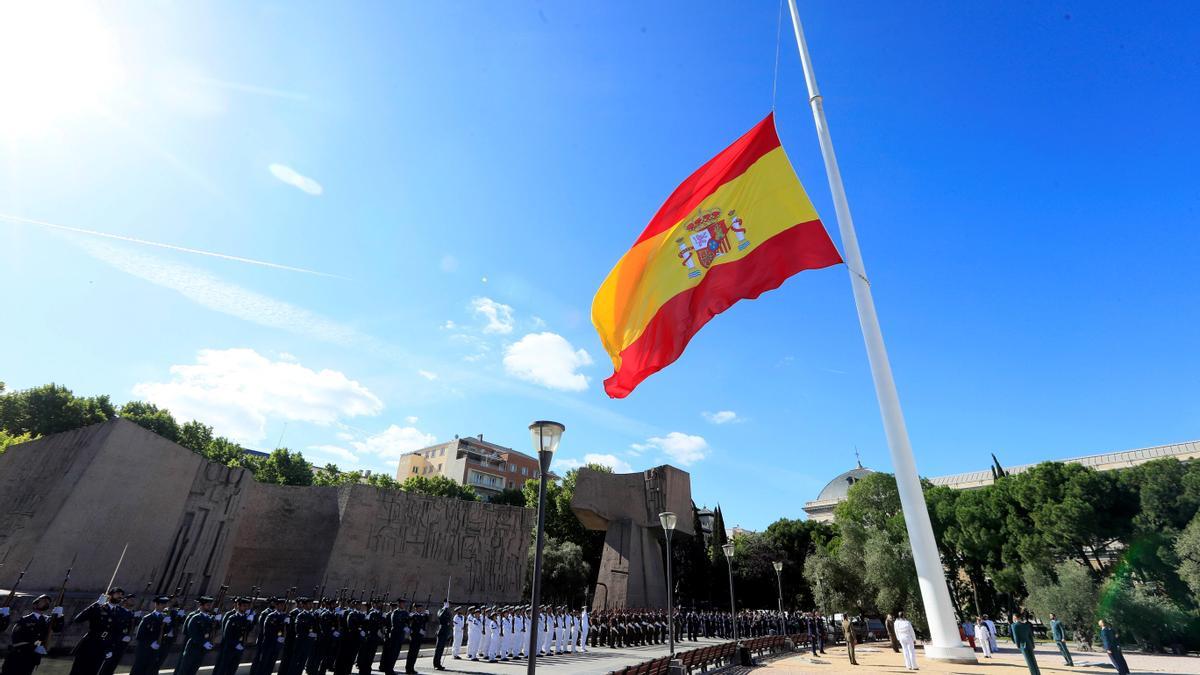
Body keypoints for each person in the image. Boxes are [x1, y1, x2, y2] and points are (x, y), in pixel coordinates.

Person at [1, 594, 64, 675]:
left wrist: (59, 613)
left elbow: (58, 628)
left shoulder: (48, 621)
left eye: (48, 602)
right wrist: (34, 646)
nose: (46, 603)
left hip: (32, 657)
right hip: (17, 655)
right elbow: (16, 637)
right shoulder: (24, 620)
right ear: (35, 605)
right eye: (43, 601)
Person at [69, 587, 126, 675]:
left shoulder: (121, 612)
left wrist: (111, 648)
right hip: (90, 644)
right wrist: (96, 604)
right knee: (78, 670)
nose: (120, 596)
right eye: (118, 593)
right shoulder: (99, 607)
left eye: (122, 595)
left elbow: (117, 632)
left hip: (103, 647)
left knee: (93, 671)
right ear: (110, 595)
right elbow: (78, 619)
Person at [173, 596, 216, 675]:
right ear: (201, 605)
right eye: (207, 605)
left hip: (201, 647)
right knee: (183, 668)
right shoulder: (194, 616)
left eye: (210, 605)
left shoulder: (209, 618)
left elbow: (214, 629)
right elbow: (187, 630)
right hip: (192, 644)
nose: (210, 606)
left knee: (193, 669)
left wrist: (217, 620)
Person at [130, 596, 171, 675]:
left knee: (151, 670)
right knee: (139, 670)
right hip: (144, 649)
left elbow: (165, 632)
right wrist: (150, 643)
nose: (164, 606)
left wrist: (168, 623)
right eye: (162, 604)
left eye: (165, 604)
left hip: (156, 650)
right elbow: (140, 635)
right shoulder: (148, 618)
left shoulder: (164, 617)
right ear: (157, 605)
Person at [379, 598, 408, 675]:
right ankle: (388, 670)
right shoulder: (395, 613)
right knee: (391, 653)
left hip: (400, 636)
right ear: (399, 604)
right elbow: (395, 624)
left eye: (404, 603)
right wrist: (403, 626)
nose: (403, 604)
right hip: (394, 636)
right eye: (402, 603)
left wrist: (407, 626)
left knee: (395, 654)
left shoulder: (405, 612)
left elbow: (407, 621)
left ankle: (390, 668)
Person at [404, 603, 428, 674]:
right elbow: (407, 621)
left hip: (419, 637)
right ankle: (408, 669)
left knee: (415, 653)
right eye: (419, 608)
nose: (420, 609)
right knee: (411, 653)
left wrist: (427, 615)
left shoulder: (422, 615)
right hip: (414, 636)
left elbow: (425, 620)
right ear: (416, 608)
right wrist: (410, 629)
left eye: (421, 608)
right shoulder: (413, 615)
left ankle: (412, 668)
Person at [431, 602, 453, 671]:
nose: (449, 605)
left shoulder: (448, 612)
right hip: (441, 631)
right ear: (444, 603)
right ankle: (436, 664)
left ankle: (439, 664)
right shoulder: (441, 610)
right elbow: (440, 616)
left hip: (446, 631)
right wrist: (444, 609)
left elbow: (449, 622)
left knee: (441, 649)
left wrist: (450, 632)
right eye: (448, 603)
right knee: (438, 648)